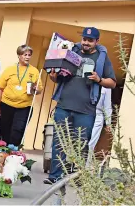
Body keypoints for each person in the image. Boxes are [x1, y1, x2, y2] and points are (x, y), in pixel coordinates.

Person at [44, 27, 116, 185]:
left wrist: (99, 79)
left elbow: (112, 82)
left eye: (90, 40)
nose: (86, 43)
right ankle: (54, 176)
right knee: (59, 141)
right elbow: (58, 78)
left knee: (81, 144)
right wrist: (53, 75)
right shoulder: (70, 51)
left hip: (86, 110)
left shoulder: (102, 57)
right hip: (64, 105)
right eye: (84, 39)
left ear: (96, 42)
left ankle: (75, 177)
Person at [0, 45, 43, 146]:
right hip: (6, 105)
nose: (28, 57)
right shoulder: (10, 69)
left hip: (24, 107)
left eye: (29, 55)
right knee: (4, 130)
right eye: (25, 55)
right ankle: (3, 153)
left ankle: (14, 153)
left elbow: (39, 89)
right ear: (19, 56)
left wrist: (36, 89)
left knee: (18, 130)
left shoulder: (34, 71)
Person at [87, 87, 112, 165]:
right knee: (80, 139)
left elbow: (107, 104)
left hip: (98, 114)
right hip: (84, 111)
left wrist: (108, 122)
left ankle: (86, 167)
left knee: (91, 143)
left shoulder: (107, 85)